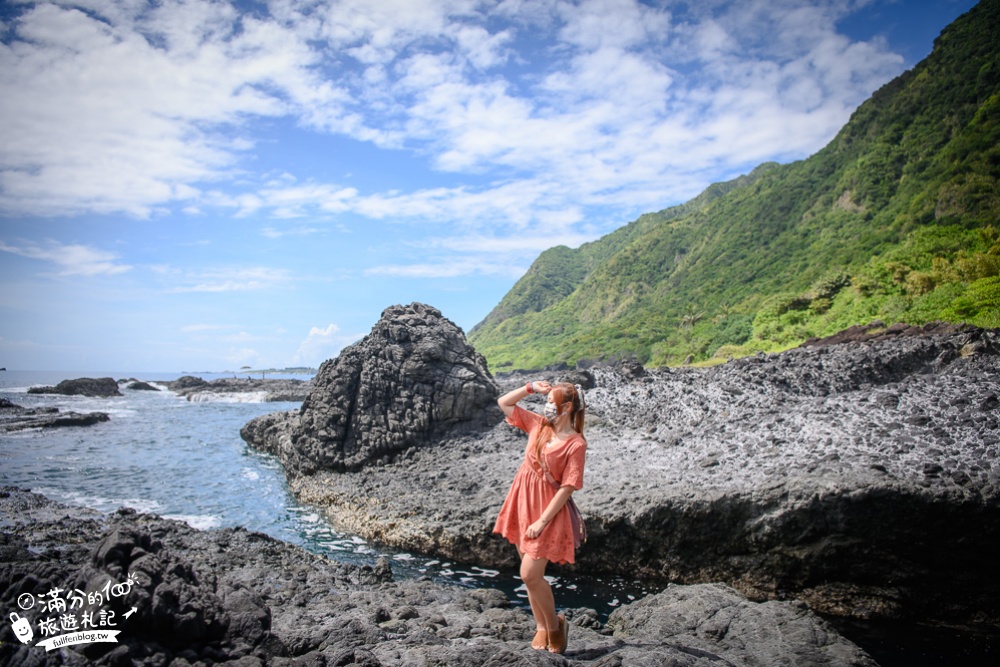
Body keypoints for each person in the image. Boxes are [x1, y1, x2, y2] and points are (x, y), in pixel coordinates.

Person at [493, 380, 587, 655]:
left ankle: (556, 627)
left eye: (551, 402)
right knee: (530, 577)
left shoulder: (576, 444)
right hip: (522, 501)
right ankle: (542, 627)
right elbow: (504, 403)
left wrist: (542, 521)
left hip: (547, 511)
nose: (546, 408)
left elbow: (568, 486)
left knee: (530, 574)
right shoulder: (539, 425)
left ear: (567, 407)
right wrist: (531, 387)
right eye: (546, 402)